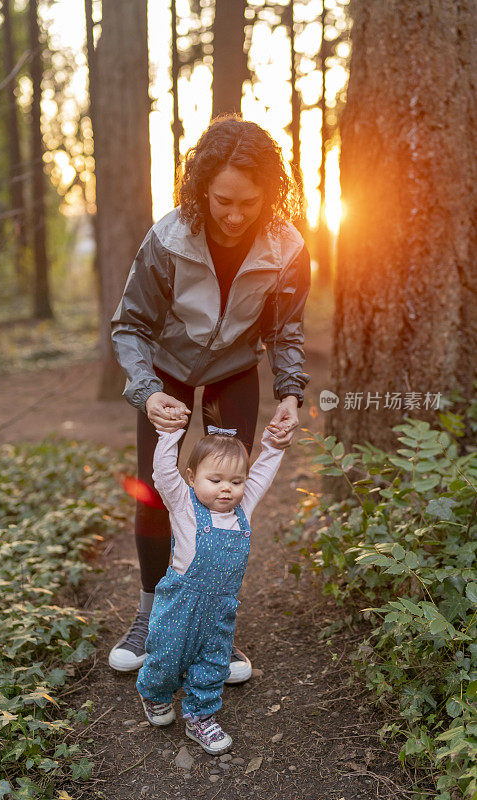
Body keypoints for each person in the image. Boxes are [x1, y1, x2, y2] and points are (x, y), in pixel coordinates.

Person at [109, 114, 310, 684]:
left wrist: (290, 394)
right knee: (156, 492)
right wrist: (147, 392)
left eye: (250, 202)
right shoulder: (168, 239)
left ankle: (213, 625)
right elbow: (130, 328)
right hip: (167, 371)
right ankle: (151, 617)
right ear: (200, 188)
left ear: (270, 194)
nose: (235, 214)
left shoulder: (287, 247)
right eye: (223, 199)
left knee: (222, 500)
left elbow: (286, 332)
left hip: (233, 373)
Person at [135, 409, 288, 754]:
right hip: (180, 603)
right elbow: (162, 474)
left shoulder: (241, 511)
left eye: (236, 482)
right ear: (191, 478)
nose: (226, 489)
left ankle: (200, 717)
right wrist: (170, 435)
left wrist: (273, 445)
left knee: (214, 663)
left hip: (221, 607)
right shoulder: (184, 507)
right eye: (215, 480)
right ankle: (154, 695)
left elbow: (261, 473)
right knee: (165, 658)